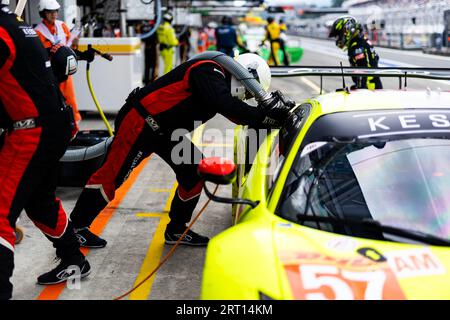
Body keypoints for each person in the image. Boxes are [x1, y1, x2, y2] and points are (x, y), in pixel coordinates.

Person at [68, 53, 293, 248]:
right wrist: (263, 115)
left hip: (164, 131)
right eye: (247, 92)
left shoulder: (218, 81)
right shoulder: (209, 70)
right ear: (245, 75)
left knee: (195, 172)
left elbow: (236, 114)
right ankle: (76, 229)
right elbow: (226, 105)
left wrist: (269, 118)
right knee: (112, 176)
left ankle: (176, 230)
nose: (244, 96)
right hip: (141, 122)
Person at [0, 2, 90, 300]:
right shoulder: (20, 28)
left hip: (31, 130)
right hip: (54, 124)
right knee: (40, 201)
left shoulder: (4, 31)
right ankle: (73, 258)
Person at [34, 0, 82, 124]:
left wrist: (75, 44)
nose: (53, 14)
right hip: (50, 74)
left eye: (55, 11)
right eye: (50, 12)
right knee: (54, 104)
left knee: (71, 100)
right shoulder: (38, 32)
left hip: (65, 72)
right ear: (43, 13)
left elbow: (69, 46)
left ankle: (74, 125)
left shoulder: (62, 26)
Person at [329, 16, 383, 90]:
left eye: (339, 35)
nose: (338, 39)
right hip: (372, 87)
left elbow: (362, 69)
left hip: (370, 89)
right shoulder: (359, 40)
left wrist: (361, 88)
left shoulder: (357, 45)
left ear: (347, 30)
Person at [141, 20, 159, 85]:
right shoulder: (153, 27)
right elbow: (157, 39)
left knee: (147, 65)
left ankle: (146, 80)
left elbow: (142, 38)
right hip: (153, 48)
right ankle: (152, 80)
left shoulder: (143, 26)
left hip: (146, 48)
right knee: (153, 65)